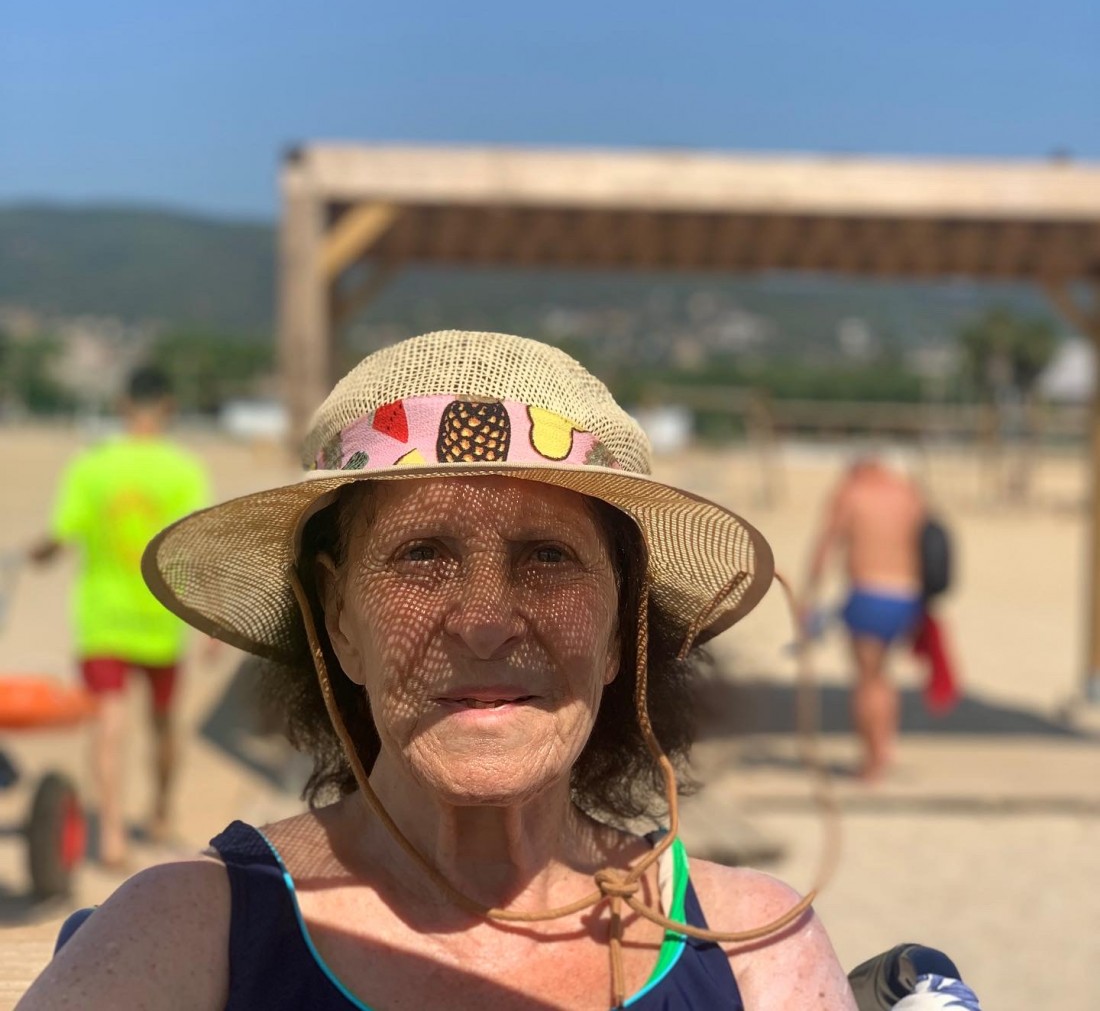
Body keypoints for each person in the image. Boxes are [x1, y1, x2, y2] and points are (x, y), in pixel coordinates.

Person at [20, 332, 857, 1010]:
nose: (485, 621)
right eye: (421, 554)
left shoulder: (750, 949)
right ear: (338, 619)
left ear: (620, 628)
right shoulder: (190, 929)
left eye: (548, 555)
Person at [28, 365, 209, 867]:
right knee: (163, 724)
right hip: (161, 615)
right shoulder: (183, 469)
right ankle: (160, 812)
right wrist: (212, 623)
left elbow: (60, 535)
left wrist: (35, 555)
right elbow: (193, 546)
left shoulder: (92, 466)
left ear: (122, 405)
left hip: (103, 618)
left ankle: (110, 835)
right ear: (169, 406)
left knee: (109, 723)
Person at [802, 453, 925, 782]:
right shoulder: (909, 494)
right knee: (884, 674)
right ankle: (884, 747)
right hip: (908, 596)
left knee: (866, 680)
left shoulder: (851, 493)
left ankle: (871, 761)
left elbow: (826, 545)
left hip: (869, 594)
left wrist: (809, 596)